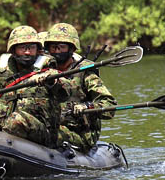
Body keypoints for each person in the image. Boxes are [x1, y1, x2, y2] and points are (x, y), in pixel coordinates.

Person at [0, 25, 70, 148]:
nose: (27, 52)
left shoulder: (48, 71)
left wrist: (51, 82)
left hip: (40, 132)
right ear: (13, 50)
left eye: (31, 47)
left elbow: (66, 92)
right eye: (22, 48)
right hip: (1, 126)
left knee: (16, 120)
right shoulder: (3, 75)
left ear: (38, 50)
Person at [44, 23, 116, 151]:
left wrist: (87, 106)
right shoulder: (44, 71)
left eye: (61, 47)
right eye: (53, 47)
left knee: (46, 132)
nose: (56, 51)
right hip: (52, 125)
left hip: (80, 133)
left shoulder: (85, 72)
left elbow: (109, 106)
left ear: (72, 49)